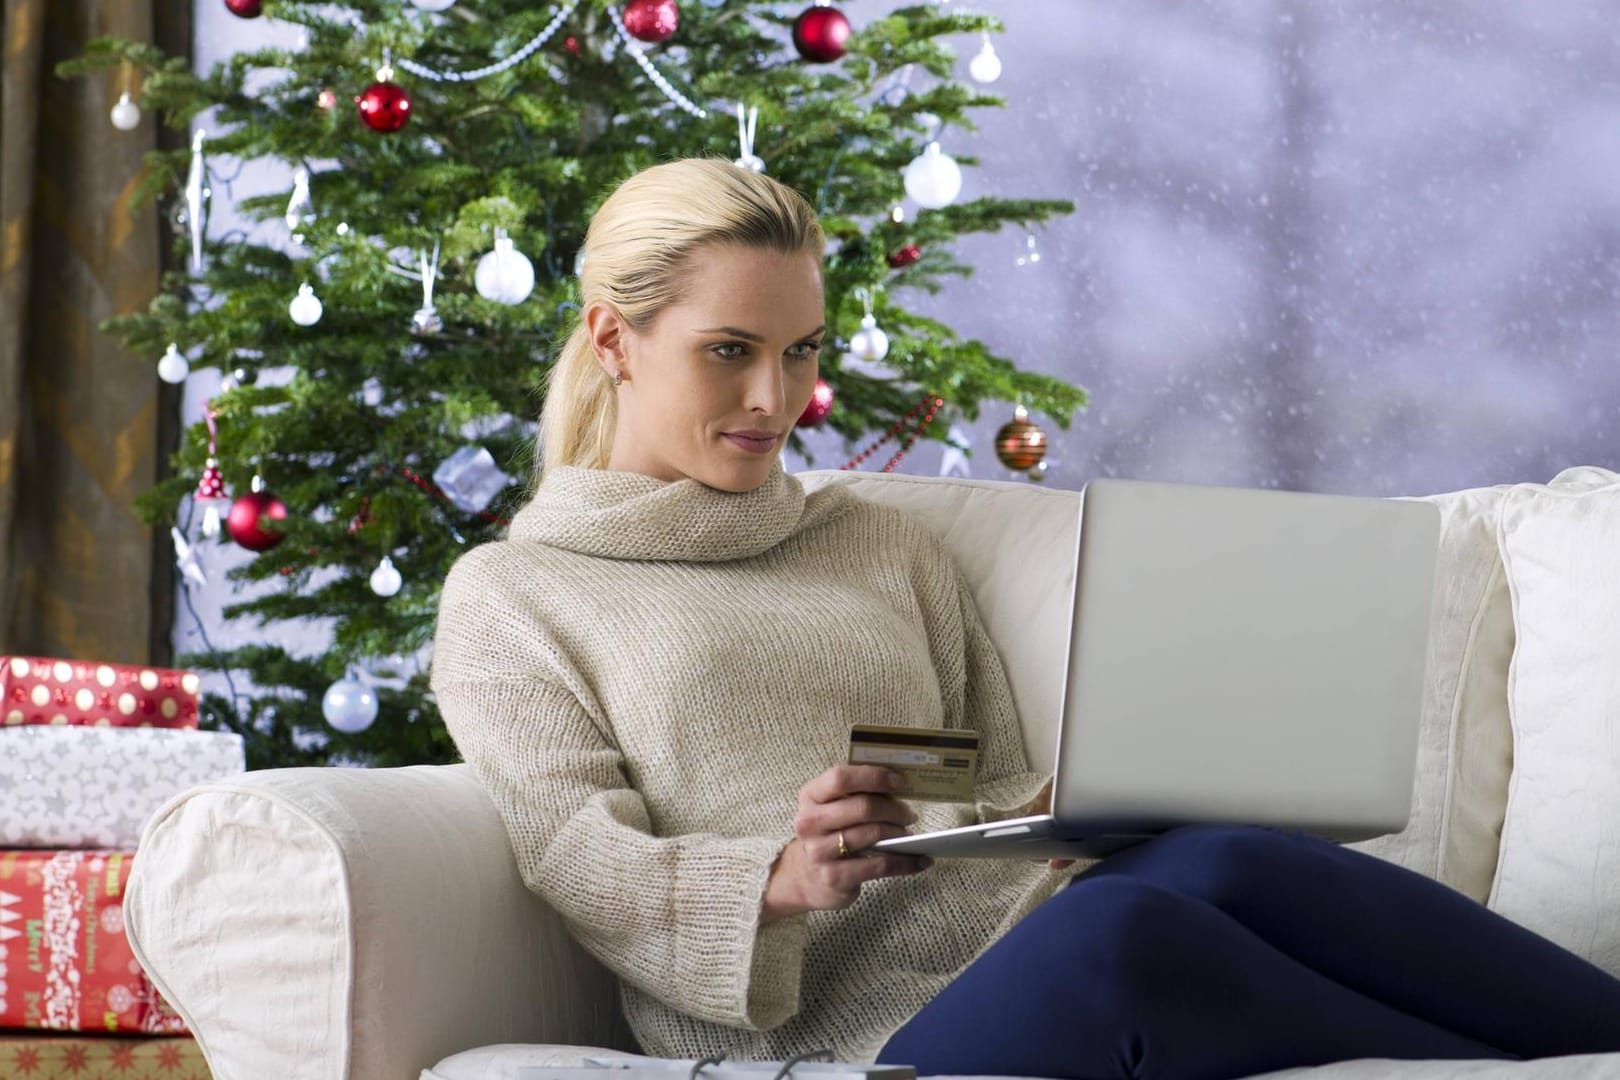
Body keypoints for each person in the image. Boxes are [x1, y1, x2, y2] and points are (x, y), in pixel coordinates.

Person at [429, 157, 1620, 1080]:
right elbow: (576, 853)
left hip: (1021, 922)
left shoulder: (871, 541)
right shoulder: (521, 593)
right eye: (729, 352)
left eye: (800, 354)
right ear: (611, 338)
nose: (774, 399)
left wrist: (1057, 806)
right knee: (1130, 948)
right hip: (850, 1026)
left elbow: (975, 769)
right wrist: (780, 877)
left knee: (1226, 856)